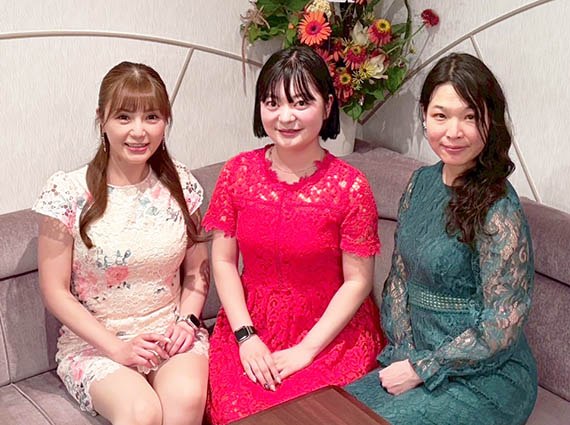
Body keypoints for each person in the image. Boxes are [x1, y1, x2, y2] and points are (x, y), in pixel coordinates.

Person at [345, 52, 538, 425]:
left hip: (485, 378)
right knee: (330, 411)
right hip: (416, 358)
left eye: (470, 117)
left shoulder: (499, 207)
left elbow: (501, 324)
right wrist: (405, 353)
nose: (454, 131)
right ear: (424, 115)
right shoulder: (421, 182)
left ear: (490, 121)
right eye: (441, 115)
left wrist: (422, 368)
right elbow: (399, 278)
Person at [202, 45, 386, 424]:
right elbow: (223, 262)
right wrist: (246, 336)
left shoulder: (351, 187)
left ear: (328, 105)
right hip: (249, 325)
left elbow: (357, 282)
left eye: (301, 103)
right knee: (240, 412)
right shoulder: (237, 173)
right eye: (272, 103)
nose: (285, 117)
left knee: (312, 415)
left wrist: (307, 350)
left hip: (331, 333)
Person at [33, 62, 209, 425]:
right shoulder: (66, 192)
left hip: (170, 332)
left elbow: (197, 271)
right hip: (97, 344)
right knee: (142, 412)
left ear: (165, 121)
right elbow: (54, 291)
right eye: (124, 117)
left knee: (186, 400)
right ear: (102, 119)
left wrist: (187, 322)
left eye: (152, 117)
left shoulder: (180, 184)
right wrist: (117, 348)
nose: (139, 131)